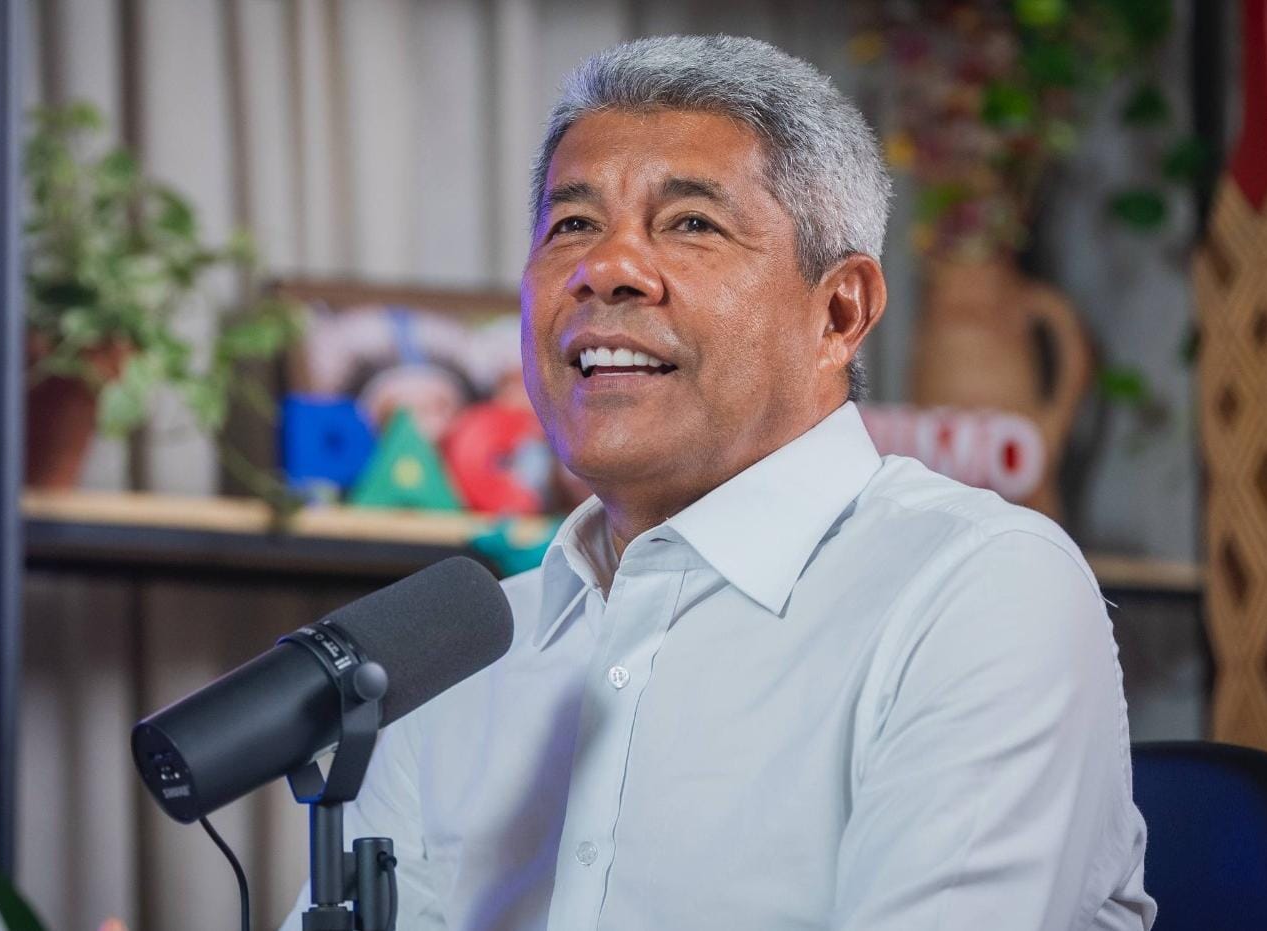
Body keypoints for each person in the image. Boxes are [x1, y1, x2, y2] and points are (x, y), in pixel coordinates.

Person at [283, 34, 1154, 930]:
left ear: (840, 311)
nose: (604, 268)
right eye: (572, 224)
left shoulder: (974, 588)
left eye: (691, 223)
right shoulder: (461, 654)